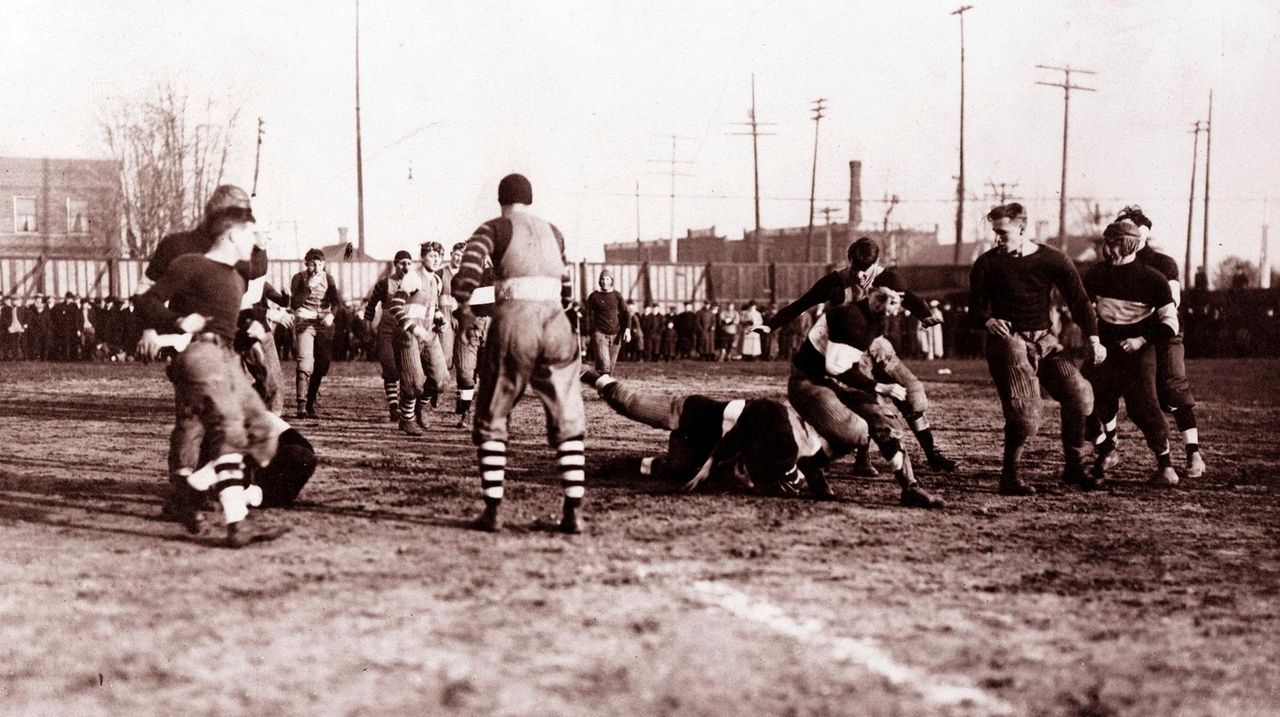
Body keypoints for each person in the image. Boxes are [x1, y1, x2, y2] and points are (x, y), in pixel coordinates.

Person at [133, 191, 286, 547]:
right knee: (223, 432)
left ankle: (189, 489)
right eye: (250, 232)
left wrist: (254, 323)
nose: (257, 240)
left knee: (262, 430)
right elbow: (144, 299)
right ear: (231, 232)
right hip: (199, 355)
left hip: (227, 358)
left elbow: (257, 267)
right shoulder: (187, 260)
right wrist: (176, 320)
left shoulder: (236, 275)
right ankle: (236, 522)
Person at [452, 173, 585, 533]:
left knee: (494, 411)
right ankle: (573, 511)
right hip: (557, 322)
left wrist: (464, 306)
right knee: (567, 414)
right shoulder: (554, 232)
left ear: (500, 200)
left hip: (515, 320)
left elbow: (465, 276)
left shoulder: (493, 228)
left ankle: (493, 510)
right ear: (530, 198)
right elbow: (568, 288)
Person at [761, 237, 957, 473]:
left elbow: (910, 297)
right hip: (847, 351)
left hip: (877, 346)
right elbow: (802, 303)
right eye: (855, 269)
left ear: (877, 264)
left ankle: (931, 452)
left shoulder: (889, 280)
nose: (861, 276)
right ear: (848, 261)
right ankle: (862, 459)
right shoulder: (835, 282)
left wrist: (924, 315)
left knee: (913, 393)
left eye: (867, 270)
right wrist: (771, 325)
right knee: (865, 402)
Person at [968, 202, 1103, 496]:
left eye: (1002, 232)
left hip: (1044, 341)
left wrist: (1093, 337)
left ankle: (1074, 467)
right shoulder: (987, 263)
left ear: (1021, 228)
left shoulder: (1052, 259)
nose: (997, 239)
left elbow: (1079, 300)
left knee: (1080, 395)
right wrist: (988, 320)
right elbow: (974, 310)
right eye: (995, 233)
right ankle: (1010, 476)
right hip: (1009, 343)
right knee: (1026, 414)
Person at [787, 287, 945, 509]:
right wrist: (880, 388)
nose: (890, 309)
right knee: (855, 432)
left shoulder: (874, 319)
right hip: (809, 382)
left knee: (886, 422)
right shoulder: (849, 317)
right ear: (873, 296)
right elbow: (835, 367)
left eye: (895, 302)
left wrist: (880, 391)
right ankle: (812, 465)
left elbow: (859, 365)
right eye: (886, 301)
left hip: (841, 380)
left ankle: (910, 487)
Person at [580, 370, 835, 499]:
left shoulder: (801, 450)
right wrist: (710, 466)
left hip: (703, 441)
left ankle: (629, 465)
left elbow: (816, 474)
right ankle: (593, 376)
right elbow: (736, 438)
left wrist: (823, 490)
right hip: (690, 412)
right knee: (631, 404)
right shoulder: (775, 425)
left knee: (679, 473)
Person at [1108, 205, 1206, 479]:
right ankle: (1109, 447)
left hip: (1163, 332)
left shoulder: (1163, 264)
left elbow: (1171, 306)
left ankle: (1193, 453)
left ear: (1144, 232)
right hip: (1129, 335)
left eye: (1130, 227)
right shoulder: (1113, 264)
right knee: (1109, 385)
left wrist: (1144, 333)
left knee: (1173, 387)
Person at [1082, 219, 1181, 487]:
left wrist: (1141, 339)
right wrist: (1094, 340)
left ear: (1128, 245)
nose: (1107, 250)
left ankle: (1166, 466)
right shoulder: (1094, 276)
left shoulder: (1153, 280)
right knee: (1081, 397)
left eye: (1113, 244)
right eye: (1106, 243)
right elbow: (1085, 313)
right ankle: (1105, 450)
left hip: (1139, 354)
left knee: (1142, 409)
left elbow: (1170, 323)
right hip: (1104, 350)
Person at [364, 250, 416, 422]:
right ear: (395, 264)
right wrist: (368, 329)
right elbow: (370, 306)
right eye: (402, 263)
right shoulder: (384, 284)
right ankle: (393, 408)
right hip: (386, 329)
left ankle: (404, 406)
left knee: (406, 369)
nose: (405, 267)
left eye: (409, 263)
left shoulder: (415, 284)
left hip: (406, 329)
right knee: (390, 368)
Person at [289, 248, 342, 419]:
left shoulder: (329, 279)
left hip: (323, 324)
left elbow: (337, 303)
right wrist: (309, 287)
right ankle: (301, 404)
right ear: (306, 264)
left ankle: (311, 400)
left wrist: (332, 316)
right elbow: (295, 304)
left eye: (320, 264)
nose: (317, 268)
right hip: (305, 322)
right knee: (305, 361)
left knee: (323, 364)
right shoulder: (299, 278)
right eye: (313, 264)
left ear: (324, 264)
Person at [584, 270, 629, 374]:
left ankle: (603, 389)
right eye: (602, 279)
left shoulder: (617, 296)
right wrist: (589, 331)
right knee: (604, 365)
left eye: (607, 279)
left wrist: (627, 330)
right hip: (599, 334)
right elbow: (587, 315)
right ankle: (604, 386)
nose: (605, 281)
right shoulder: (594, 296)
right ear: (600, 281)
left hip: (616, 335)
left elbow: (626, 313)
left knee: (610, 368)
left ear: (611, 281)